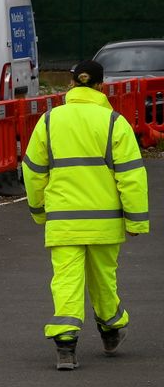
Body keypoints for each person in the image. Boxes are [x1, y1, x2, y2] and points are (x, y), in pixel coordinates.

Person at [22, 59, 149, 370]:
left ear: (70, 84)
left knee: (66, 279)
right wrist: (136, 221)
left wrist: (39, 211)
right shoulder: (113, 122)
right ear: (100, 86)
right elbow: (131, 176)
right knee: (104, 279)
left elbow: (33, 171)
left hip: (64, 220)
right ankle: (111, 328)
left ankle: (65, 344)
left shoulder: (50, 121)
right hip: (105, 222)